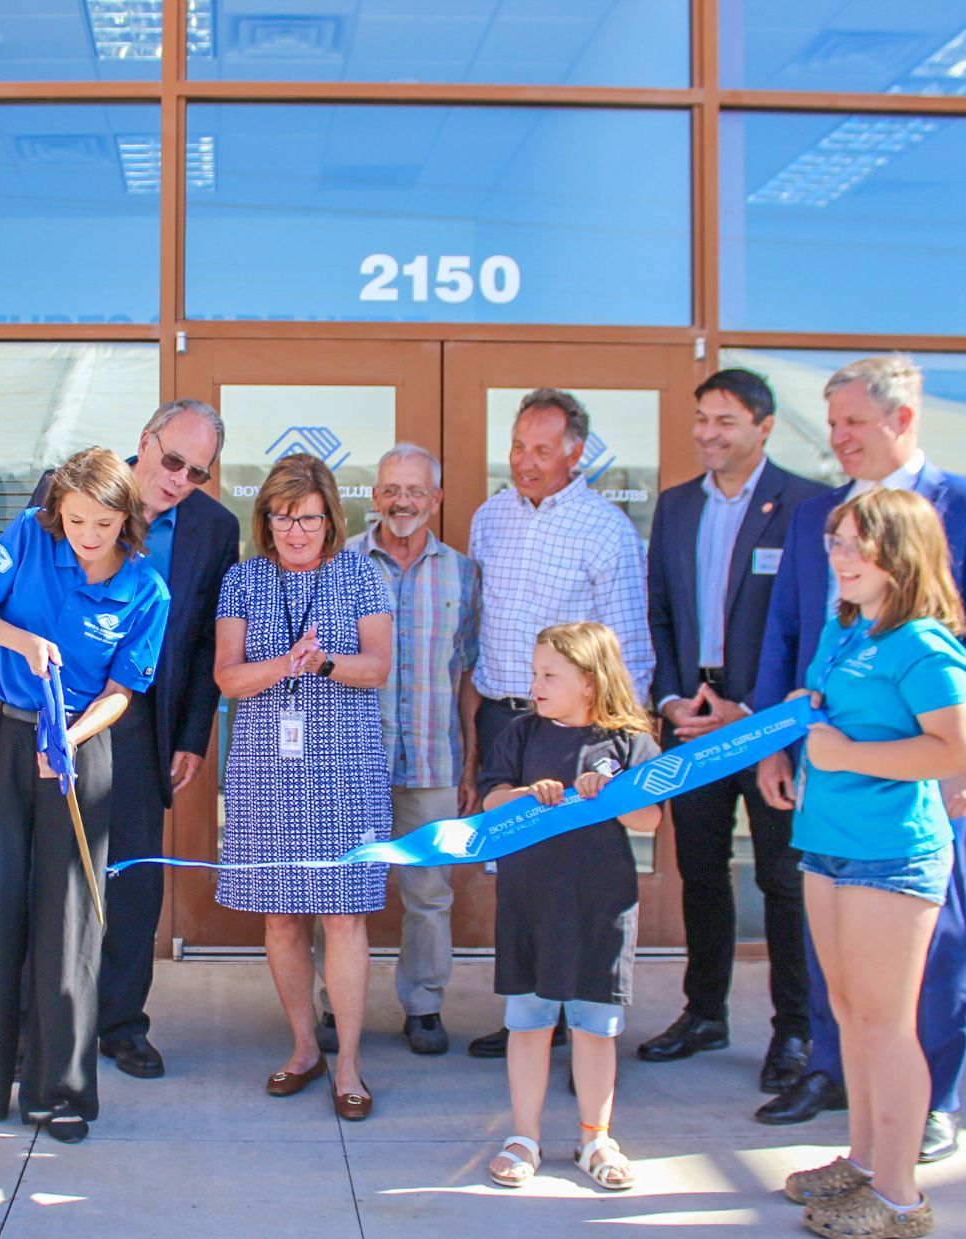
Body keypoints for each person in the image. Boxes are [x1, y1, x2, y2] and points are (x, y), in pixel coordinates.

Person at [752, 356, 966, 1166]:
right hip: (831, 797)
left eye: (851, 424)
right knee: (840, 965)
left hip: (921, 789)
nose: (837, 439)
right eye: (831, 424)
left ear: (902, 419)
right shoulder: (820, 518)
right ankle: (837, 1083)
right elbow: (792, 633)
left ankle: (930, 1103)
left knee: (925, 954)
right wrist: (778, 742)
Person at [0, 447, 170, 1143]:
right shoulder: (26, 537)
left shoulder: (147, 590)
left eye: (103, 523)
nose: (88, 535)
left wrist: (68, 742)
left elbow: (122, 692)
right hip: (2, 739)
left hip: (76, 749)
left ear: (126, 519)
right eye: (76, 520)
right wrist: (20, 641)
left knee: (71, 922)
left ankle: (62, 1090)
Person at [779, 489, 966, 1239]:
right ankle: (863, 1162)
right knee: (850, 1012)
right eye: (835, 542)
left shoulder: (922, 644)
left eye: (857, 545)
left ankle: (899, 1198)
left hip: (890, 855)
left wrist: (850, 754)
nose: (840, 557)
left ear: (900, 552)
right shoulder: (846, 628)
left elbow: (958, 749)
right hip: (827, 844)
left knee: (887, 1023)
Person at [33, 399, 239, 1079]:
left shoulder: (214, 528)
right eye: (172, 460)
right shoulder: (74, 486)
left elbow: (210, 637)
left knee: (133, 882)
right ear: (143, 441)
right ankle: (47, 1018)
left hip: (146, 720)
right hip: (57, 708)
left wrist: (192, 735)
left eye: (197, 472)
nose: (180, 479)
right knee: (56, 871)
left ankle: (121, 1023)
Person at [638, 371, 827, 1092]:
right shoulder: (678, 506)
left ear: (764, 426)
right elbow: (658, 615)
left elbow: (814, 621)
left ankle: (796, 1030)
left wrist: (762, 712)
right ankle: (704, 1014)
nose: (708, 433)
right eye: (701, 419)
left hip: (771, 723)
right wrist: (671, 698)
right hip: (695, 718)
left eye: (725, 420)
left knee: (783, 881)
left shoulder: (806, 505)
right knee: (701, 874)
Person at [465, 387, 651, 1059]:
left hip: (580, 733)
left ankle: (586, 1025)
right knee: (520, 877)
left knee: (578, 879)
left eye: (542, 449)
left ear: (577, 453)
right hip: (507, 723)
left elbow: (626, 645)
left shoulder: (605, 529)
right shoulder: (488, 518)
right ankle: (530, 1013)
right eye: (518, 446)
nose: (526, 461)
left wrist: (623, 746)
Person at [215, 453, 393, 1121]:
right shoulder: (242, 581)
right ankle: (302, 1048)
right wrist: (280, 665)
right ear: (265, 519)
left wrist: (322, 663)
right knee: (282, 915)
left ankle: (347, 1062)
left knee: (344, 914)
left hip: (345, 763)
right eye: (283, 518)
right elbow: (227, 678)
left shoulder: (360, 574)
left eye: (309, 519)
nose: (296, 532)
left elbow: (377, 668)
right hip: (267, 765)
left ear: (330, 519)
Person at [477, 622, 662, 1193]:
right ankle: (524, 1138)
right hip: (529, 900)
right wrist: (526, 796)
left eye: (550, 675)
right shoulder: (520, 733)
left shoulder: (631, 741)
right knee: (528, 1022)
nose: (536, 685)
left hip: (601, 904)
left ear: (590, 680)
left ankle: (594, 1138)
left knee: (595, 1025)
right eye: (534, 674)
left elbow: (650, 821)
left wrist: (612, 796)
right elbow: (490, 802)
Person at [328, 442, 480, 1056]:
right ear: (375, 496)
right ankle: (328, 1006)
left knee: (429, 893)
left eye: (415, 491)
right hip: (351, 759)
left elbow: (468, 673)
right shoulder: (341, 565)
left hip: (434, 757)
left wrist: (471, 760)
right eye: (391, 489)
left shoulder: (464, 573)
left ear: (436, 499)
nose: (402, 502)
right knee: (335, 892)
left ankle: (424, 1006)